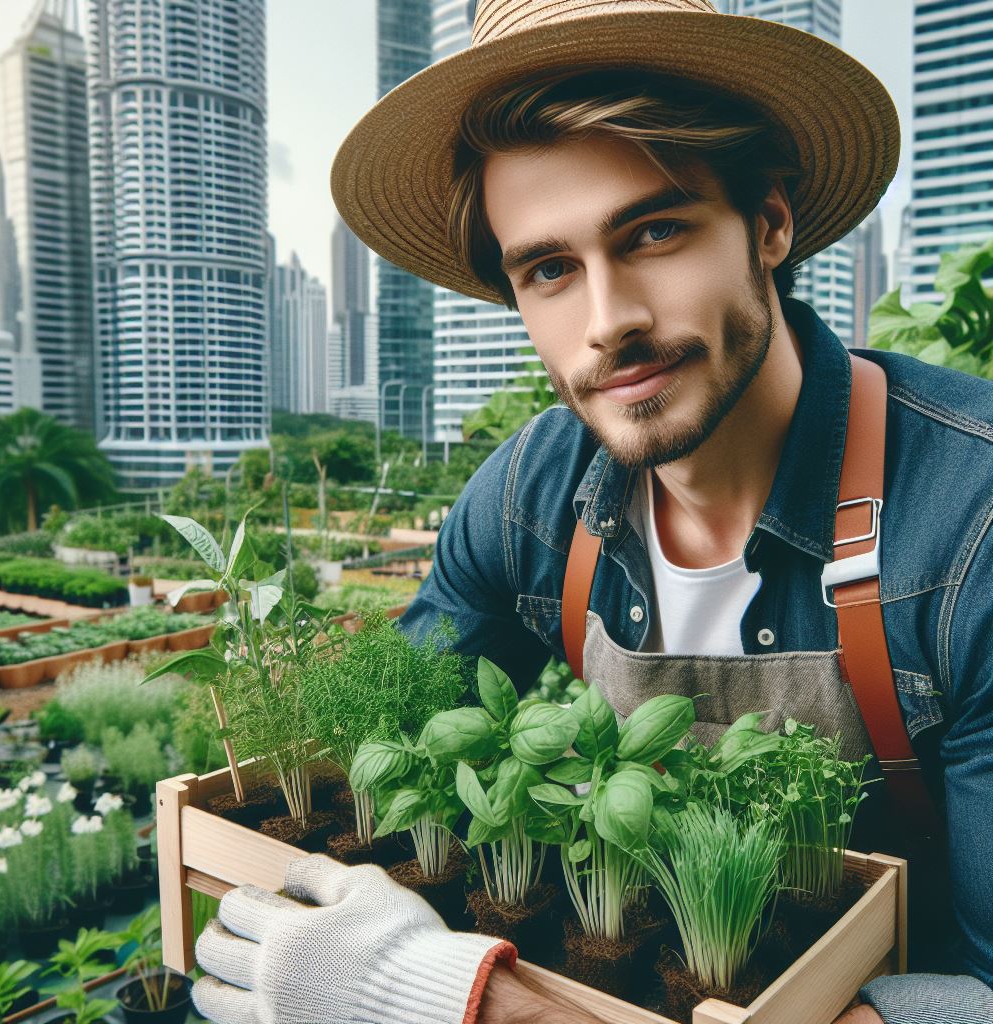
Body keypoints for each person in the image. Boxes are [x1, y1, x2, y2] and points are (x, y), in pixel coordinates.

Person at [191, 2, 993, 1023]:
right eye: (549, 269)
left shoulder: (970, 522)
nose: (607, 319)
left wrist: (484, 1008)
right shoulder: (527, 498)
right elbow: (392, 760)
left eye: (654, 230)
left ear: (771, 221)